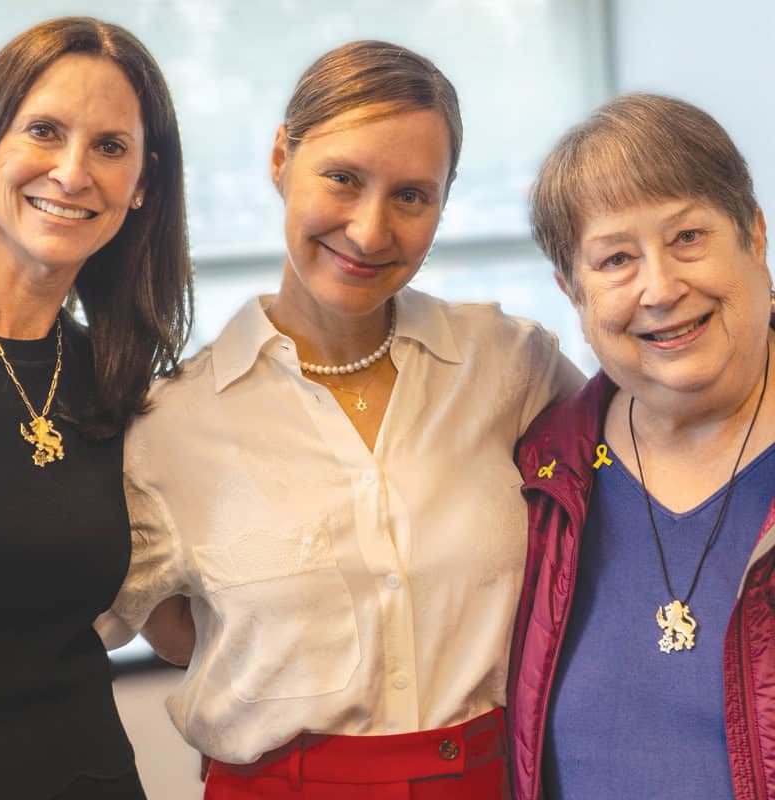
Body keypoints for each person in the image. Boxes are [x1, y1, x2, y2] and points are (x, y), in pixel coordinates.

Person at [102, 40, 582, 799]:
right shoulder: (169, 423)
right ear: (280, 159)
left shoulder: (511, 365)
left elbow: (633, 480)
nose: (368, 230)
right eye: (342, 178)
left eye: (412, 196)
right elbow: (134, 622)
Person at [508, 93, 775, 800]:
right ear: (571, 291)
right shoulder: (545, 472)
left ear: (754, 235)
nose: (660, 287)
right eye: (616, 259)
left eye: (688, 237)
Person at [0, 16, 192, 800]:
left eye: (110, 146)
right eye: (43, 130)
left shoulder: (120, 381)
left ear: (143, 187)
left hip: (86, 774)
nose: (72, 173)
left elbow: (175, 630)